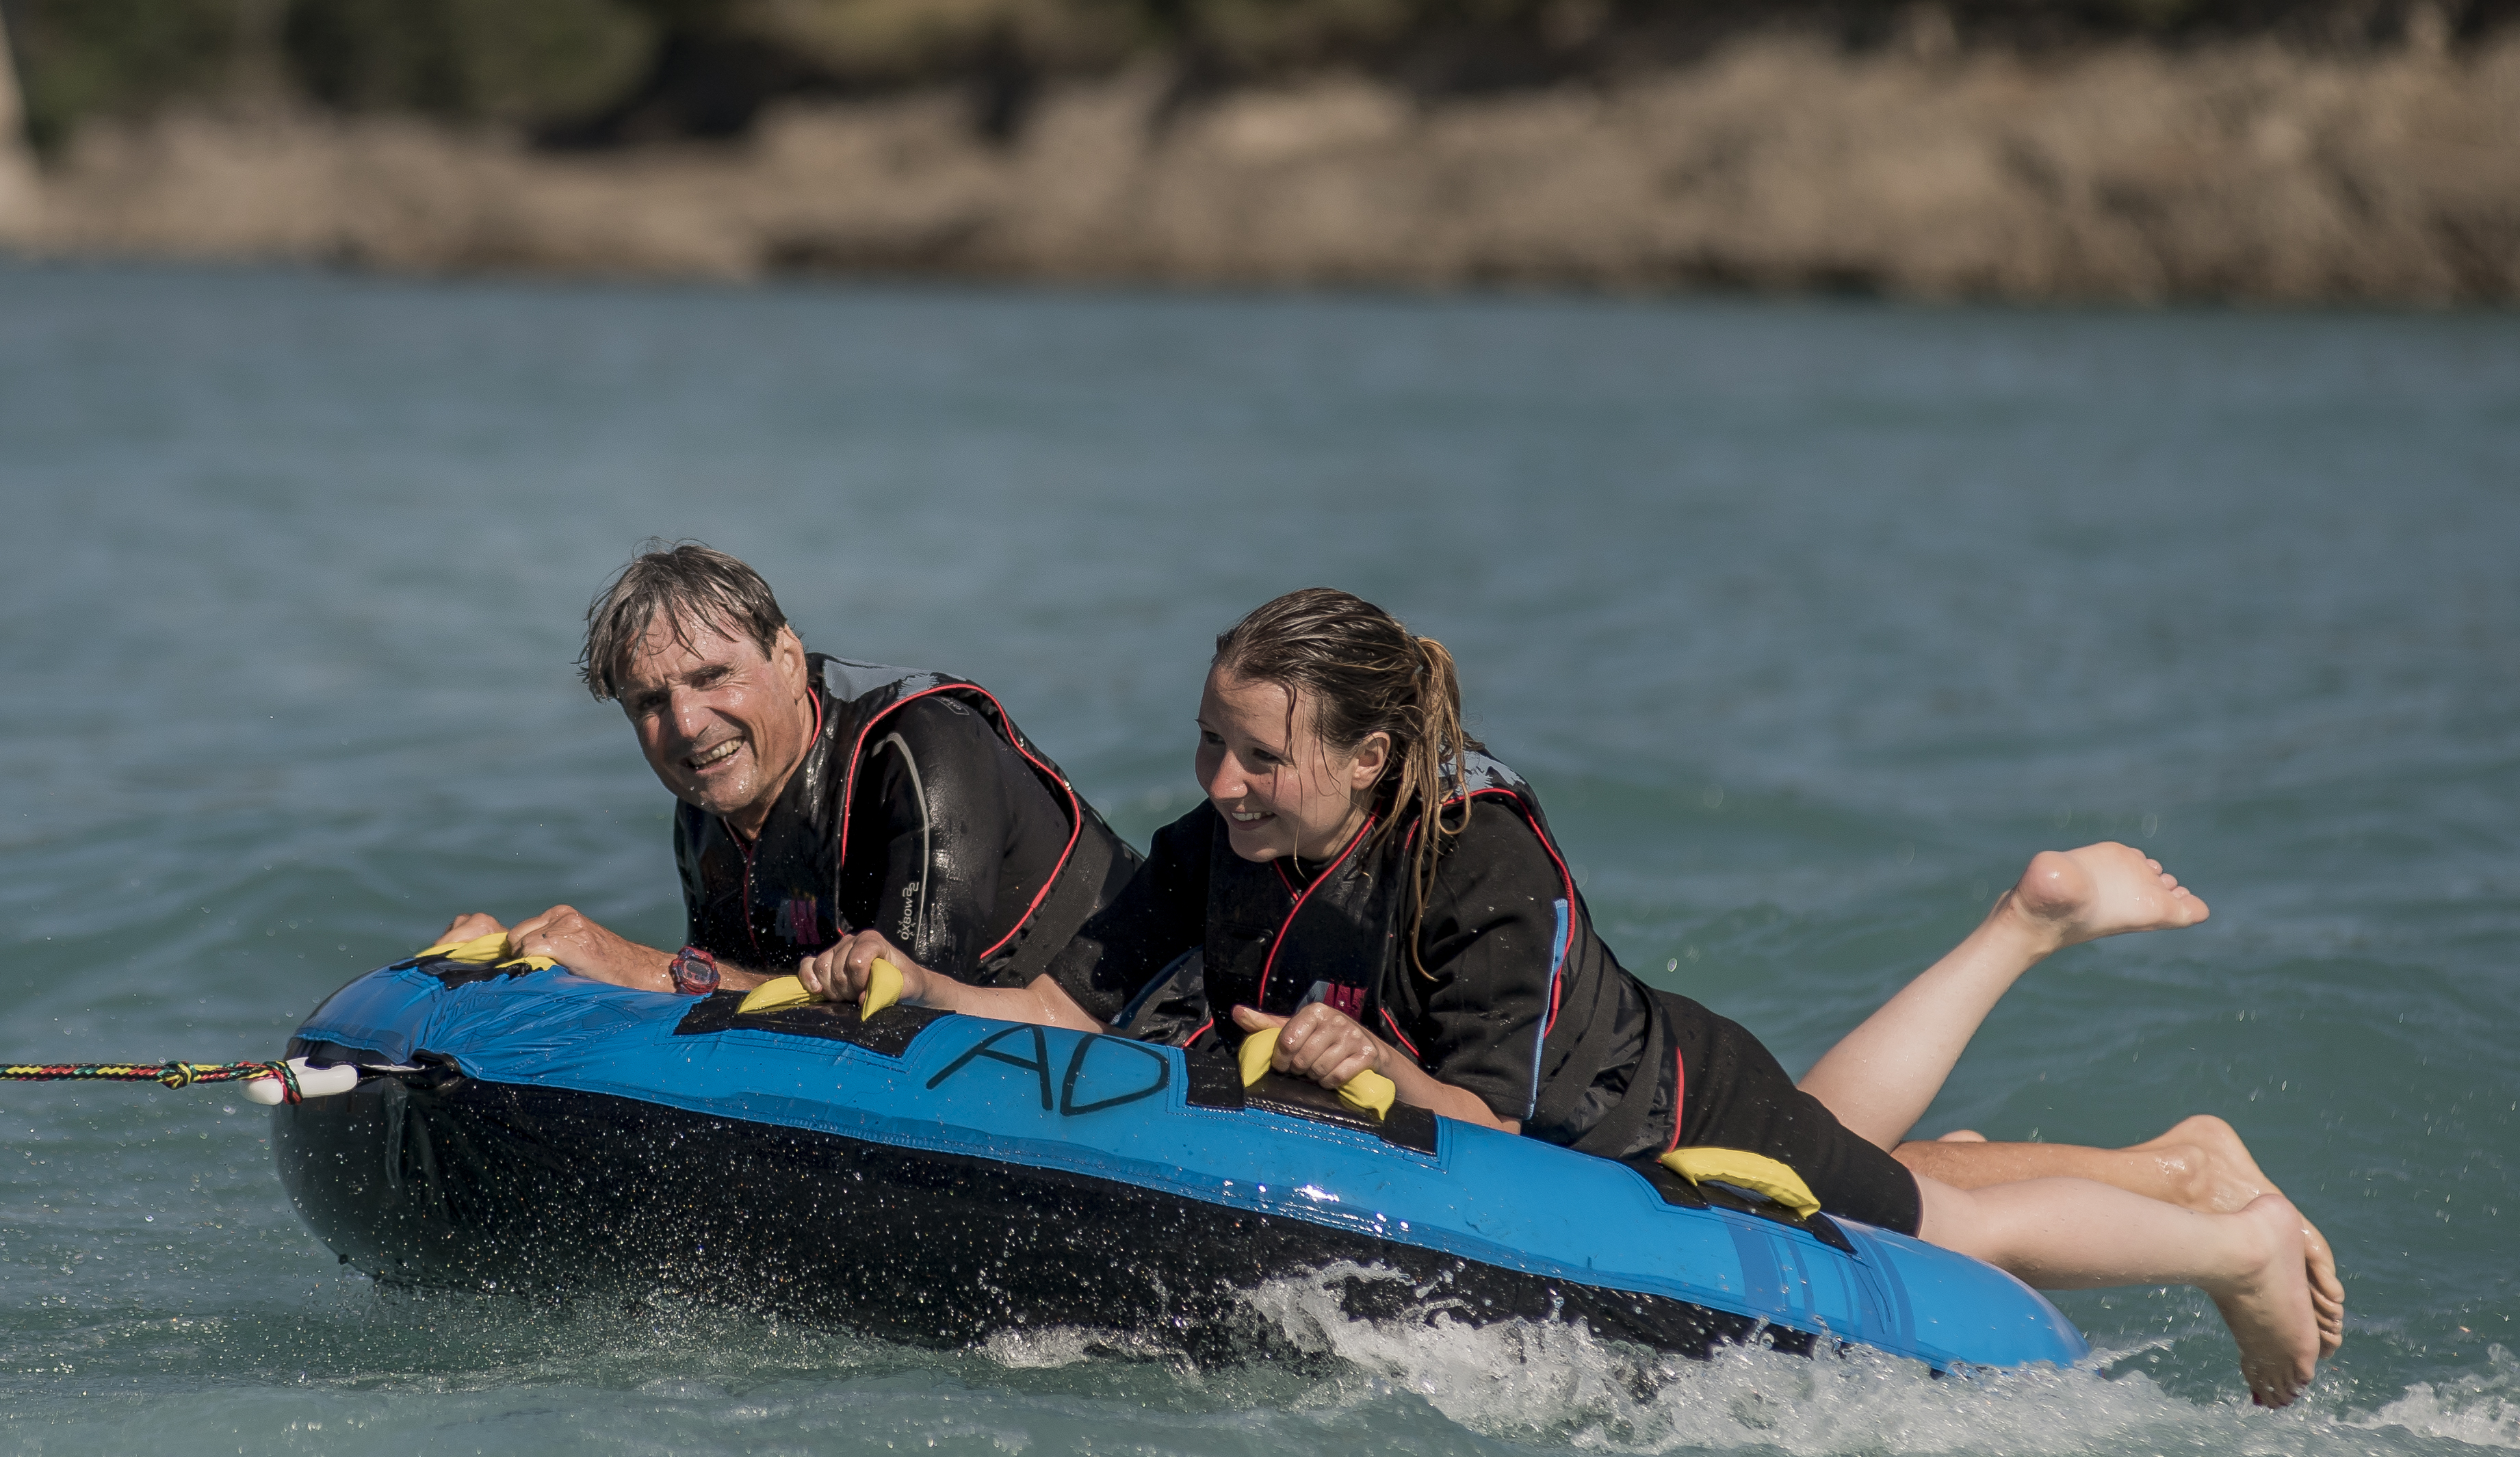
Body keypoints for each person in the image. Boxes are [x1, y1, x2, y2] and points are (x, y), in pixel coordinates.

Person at [790, 586, 2343, 1408]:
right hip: (1647, 1086)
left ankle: (2229, 1236)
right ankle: (2049, 959)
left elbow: (1487, 1118)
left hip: (1649, 1111)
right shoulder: (1217, 849)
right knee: (1863, 1145)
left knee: (1920, 1213)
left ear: (1369, 758)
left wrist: (1371, 1078)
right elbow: (1080, 1013)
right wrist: (917, 984)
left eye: (1258, 752)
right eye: (1208, 738)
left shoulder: (1480, 863)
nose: (1218, 779)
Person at [432, 543, 1141, 1001]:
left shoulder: (922, 747)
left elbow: (912, 1021)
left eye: (714, 676)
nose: (687, 724)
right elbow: (737, 1003)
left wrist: (645, 969)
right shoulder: (709, 804)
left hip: (1160, 1040)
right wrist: (530, 976)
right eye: (651, 702)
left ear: (789, 658)